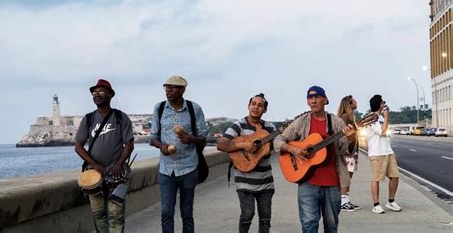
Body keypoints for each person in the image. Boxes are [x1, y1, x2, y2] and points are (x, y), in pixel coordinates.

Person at [274, 85, 354, 233]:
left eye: (317, 97)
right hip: (307, 183)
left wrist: (350, 138)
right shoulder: (302, 121)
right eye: (310, 97)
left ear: (325, 99)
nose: (313, 101)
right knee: (309, 225)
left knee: (331, 226)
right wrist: (294, 149)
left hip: (332, 184)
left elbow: (344, 150)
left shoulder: (336, 123)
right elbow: (278, 141)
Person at [150, 75, 208, 233]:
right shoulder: (159, 108)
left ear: (182, 90)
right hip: (166, 169)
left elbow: (204, 138)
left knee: (187, 213)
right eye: (166, 87)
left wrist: (191, 139)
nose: (168, 90)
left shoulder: (193, 108)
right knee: (166, 212)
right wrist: (162, 146)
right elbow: (153, 137)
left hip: (189, 168)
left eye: (172, 87)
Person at [75, 79, 134, 233]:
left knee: (116, 214)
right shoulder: (88, 119)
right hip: (93, 175)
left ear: (110, 95)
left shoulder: (121, 117)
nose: (97, 95)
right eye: (94, 92)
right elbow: (78, 146)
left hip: (117, 174)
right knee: (98, 215)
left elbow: (129, 144)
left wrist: (119, 164)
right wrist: (95, 165)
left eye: (101, 91)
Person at [217, 93, 277, 233]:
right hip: (244, 181)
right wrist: (243, 145)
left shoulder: (270, 128)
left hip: (266, 181)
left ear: (265, 110)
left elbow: (278, 145)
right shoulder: (238, 125)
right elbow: (221, 145)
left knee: (265, 220)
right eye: (253, 104)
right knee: (247, 214)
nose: (256, 107)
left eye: (260, 105)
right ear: (248, 106)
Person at [365, 94, 402, 214]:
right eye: (383, 102)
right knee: (376, 179)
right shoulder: (371, 118)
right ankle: (376, 204)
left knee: (394, 177)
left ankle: (391, 201)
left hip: (387, 151)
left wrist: (392, 150)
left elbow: (386, 135)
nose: (385, 104)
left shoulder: (380, 117)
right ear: (378, 104)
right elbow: (382, 132)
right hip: (377, 153)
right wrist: (387, 116)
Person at [337, 95, 362, 212]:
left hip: (351, 150)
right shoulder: (345, 117)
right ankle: (343, 201)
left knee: (349, 175)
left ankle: (345, 199)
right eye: (354, 101)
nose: (356, 102)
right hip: (347, 151)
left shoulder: (350, 117)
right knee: (346, 176)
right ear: (349, 104)